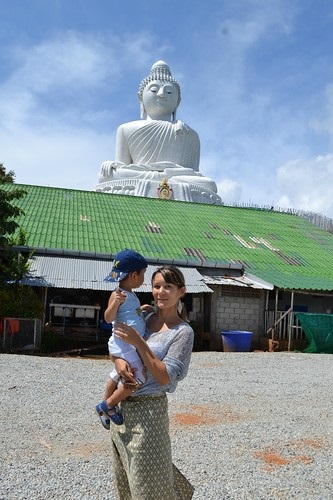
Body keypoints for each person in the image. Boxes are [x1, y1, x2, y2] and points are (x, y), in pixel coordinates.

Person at [109, 265, 195, 499]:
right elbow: (116, 346)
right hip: (122, 411)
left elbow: (165, 376)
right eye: (157, 286)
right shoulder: (142, 316)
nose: (161, 292)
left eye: (168, 286)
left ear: (182, 291)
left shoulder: (182, 333)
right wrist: (118, 364)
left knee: (150, 487)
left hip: (150, 414)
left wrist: (139, 342)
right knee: (126, 483)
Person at [97, 60, 220, 204]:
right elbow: (122, 165)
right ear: (140, 97)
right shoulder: (125, 129)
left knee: (209, 184)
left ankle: (164, 179)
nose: (161, 94)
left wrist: (169, 174)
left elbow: (193, 172)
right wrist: (112, 165)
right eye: (154, 90)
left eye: (169, 91)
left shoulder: (189, 134)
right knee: (109, 175)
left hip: (176, 177)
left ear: (178, 101)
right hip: (139, 174)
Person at [95, 248, 153, 429]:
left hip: (126, 344)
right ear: (134, 275)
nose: (144, 278)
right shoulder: (118, 294)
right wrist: (115, 302)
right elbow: (108, 318)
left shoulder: (130, 294)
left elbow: (129, 313)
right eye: (143, 274)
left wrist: (141, 309)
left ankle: (104, 408)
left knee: (116, 374)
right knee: (138, 377)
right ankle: (109, 404)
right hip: (124, 343)